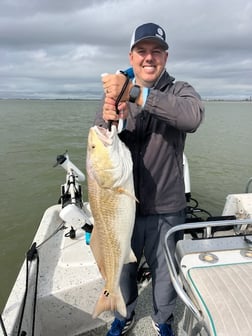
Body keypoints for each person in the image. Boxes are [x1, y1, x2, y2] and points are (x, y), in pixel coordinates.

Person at [94, 22, 204, 336]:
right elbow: (98, 142)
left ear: (165, 58)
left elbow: (191, 117)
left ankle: (162, 321)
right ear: (131, 57)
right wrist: (109, 116)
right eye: (142, 51)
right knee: (123, 270)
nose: (149, 58)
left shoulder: (180, 90)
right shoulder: (115, 92)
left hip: (167, 208)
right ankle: (123, 315)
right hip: (122, 208)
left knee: (166, 276)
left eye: (156, 51)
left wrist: (138, 95)